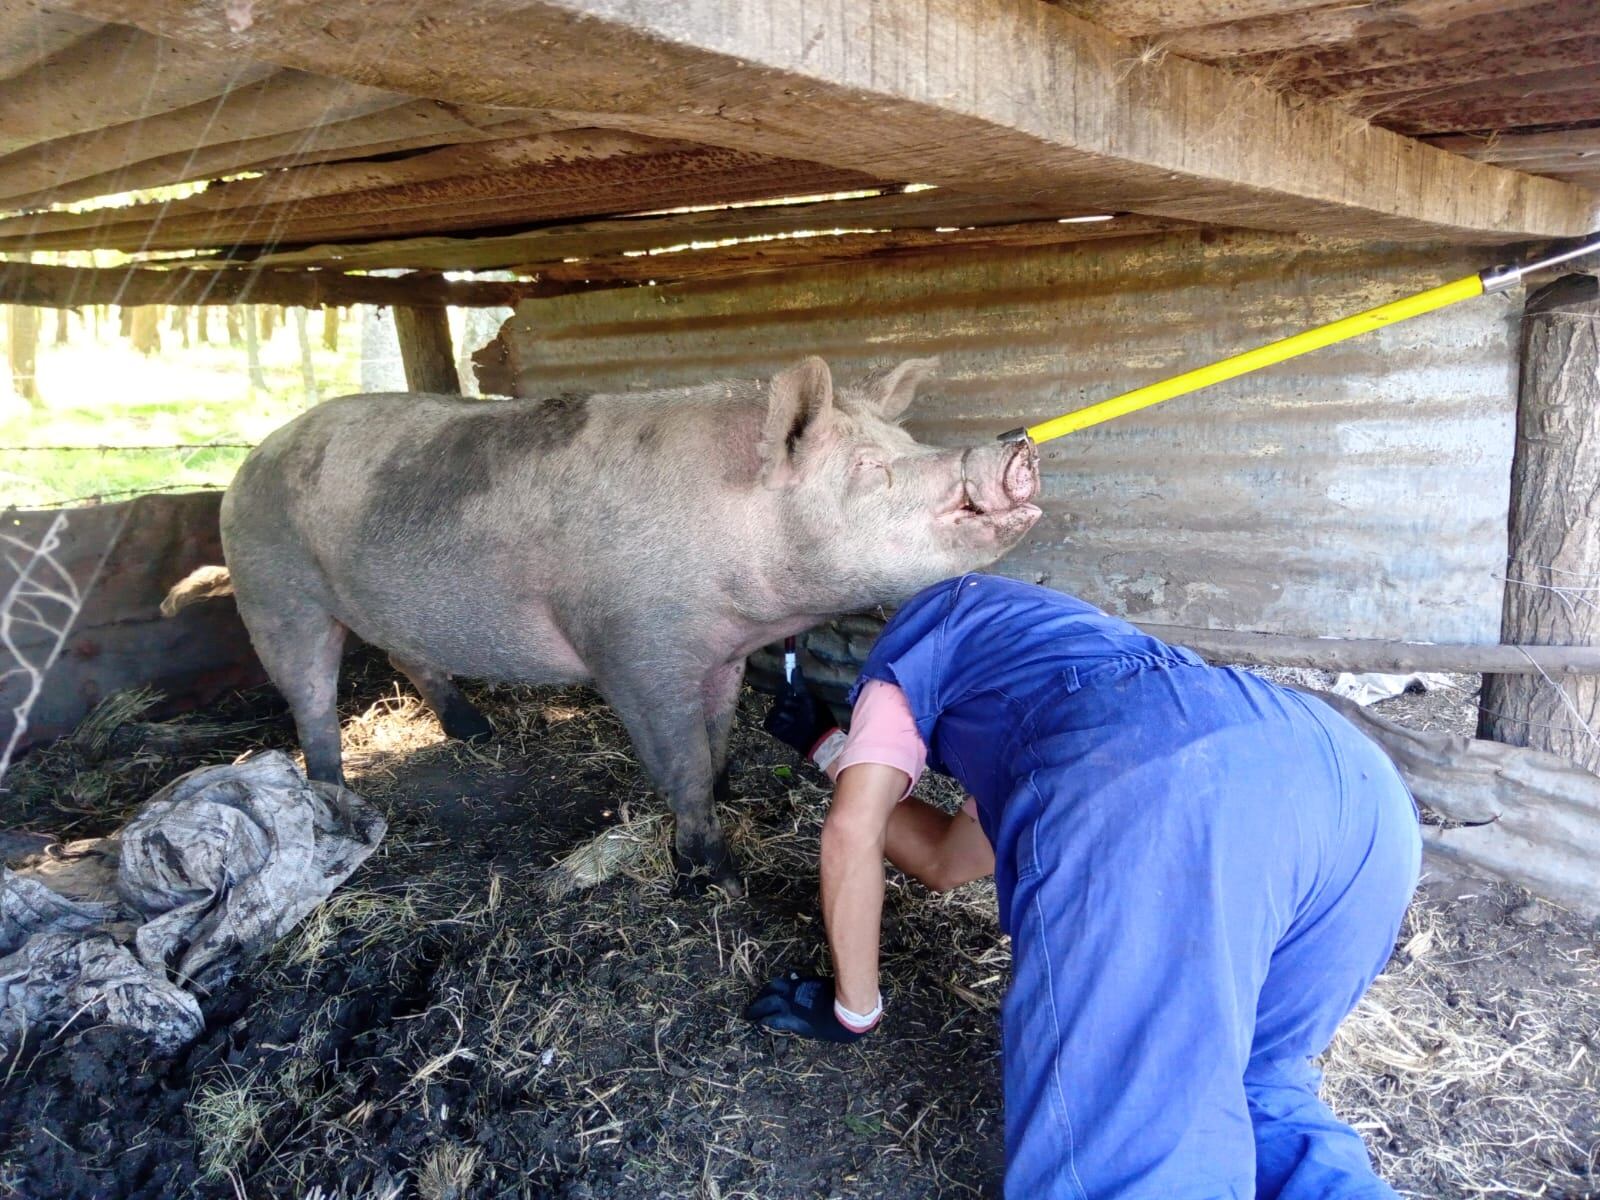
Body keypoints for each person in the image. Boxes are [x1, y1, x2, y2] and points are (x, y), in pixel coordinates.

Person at [747, 574, 1419, 1200]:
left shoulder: (917, 637)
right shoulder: (1055, 675)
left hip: (1168, 788)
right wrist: (824, 745)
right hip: (1349, 791)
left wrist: (852, 1009)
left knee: (1132, 1151)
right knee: (1253, 1076)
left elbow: (850, 831)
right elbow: (948, 859)